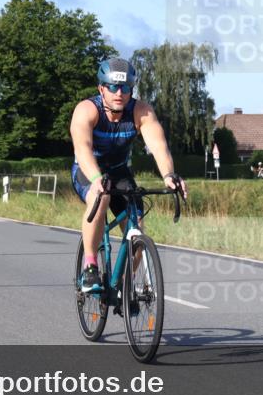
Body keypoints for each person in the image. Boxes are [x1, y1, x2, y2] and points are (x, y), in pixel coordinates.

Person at [70, 57, 188, 292]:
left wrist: (169, 175)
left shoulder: (140, 111)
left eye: (125, 87)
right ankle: (90, 267)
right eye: (113, 87)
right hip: (88, 169)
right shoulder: (87, 110)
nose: (119, 93)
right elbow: (82, 148)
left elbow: (158, 146)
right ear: (101, 88)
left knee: (137, 230)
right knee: (100, 198)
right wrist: (95, 179)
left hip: (119, 172)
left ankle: (122, 286)